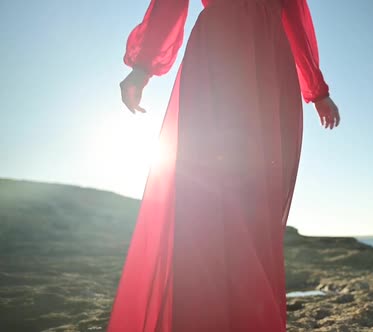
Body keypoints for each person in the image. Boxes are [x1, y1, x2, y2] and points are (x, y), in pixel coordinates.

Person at [108, 0, 339, 330]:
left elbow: (295, 13)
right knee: (205, 187)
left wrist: (316, 90)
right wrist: (142, 67)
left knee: (257, 199)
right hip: (219, 52)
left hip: (271, 60)